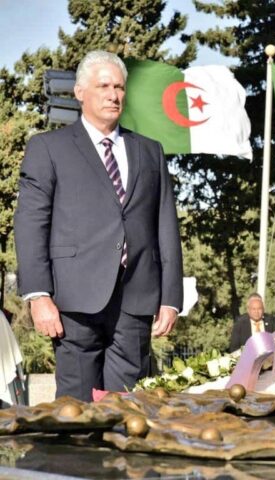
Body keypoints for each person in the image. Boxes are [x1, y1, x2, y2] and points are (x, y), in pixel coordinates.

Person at [14, 50, 183, 402]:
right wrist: (38, 295)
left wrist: (171, 298)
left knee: (127, 411)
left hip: (136, 300)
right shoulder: (48, 148)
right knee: (75, 411)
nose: (113, 94)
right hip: (73, 303)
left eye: (119, 86)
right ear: (79, 92)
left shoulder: (149, 151)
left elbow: (165, 224)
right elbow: (31, 224)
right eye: (103, 85)